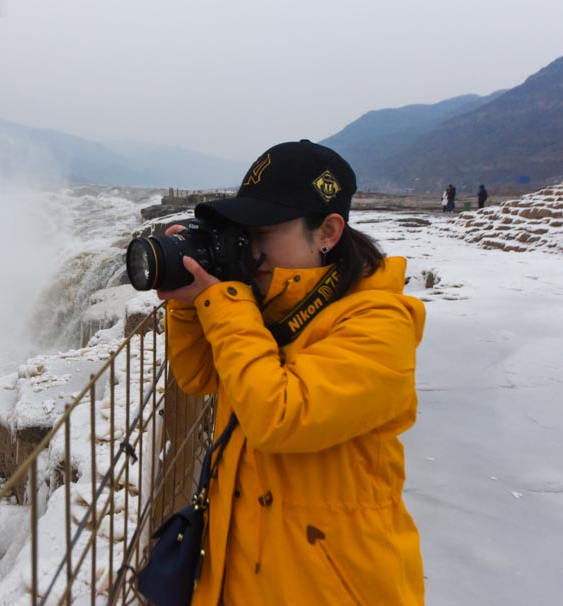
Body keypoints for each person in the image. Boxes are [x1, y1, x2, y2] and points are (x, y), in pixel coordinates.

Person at [159, 140, 425, 605]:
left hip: (330, 587)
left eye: (263, 233)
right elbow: (198, 377)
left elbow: (279, 416)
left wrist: (223, 304)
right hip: (243, 572)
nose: (251, 251)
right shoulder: (269, 304)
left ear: (328, 231)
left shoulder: (381, 324)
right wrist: (188, 303)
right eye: (243, 234)